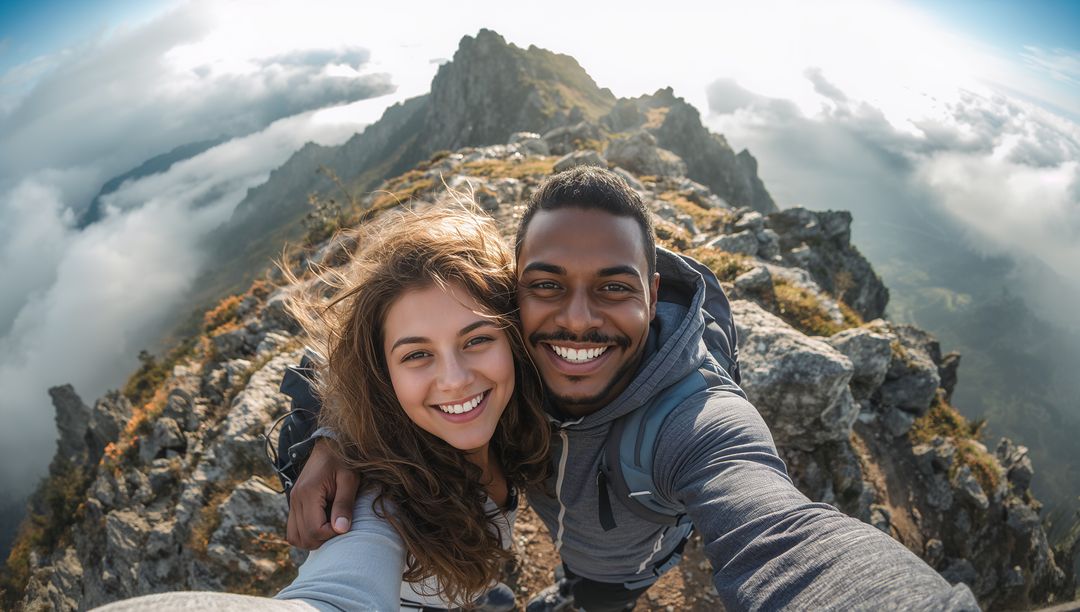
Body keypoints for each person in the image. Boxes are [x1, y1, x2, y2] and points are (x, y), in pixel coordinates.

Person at [280, 166, 980, 611]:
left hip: (625, 565)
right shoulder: (505, 365)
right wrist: (331, 438)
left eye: (612, 289)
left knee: (599, 600)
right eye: (547, 287)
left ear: (650, 291)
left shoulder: (697, 418)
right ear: (516, 302)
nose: (578, 319)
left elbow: (785, 537)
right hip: (530, 542)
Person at [273, 202, 551, 610]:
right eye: (417, 355)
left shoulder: (526, 399)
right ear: (382, 374)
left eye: (476, 340)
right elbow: (333, 593)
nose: (455, 379)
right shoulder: (375, 501)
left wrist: (330, 435)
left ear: (513, 338)